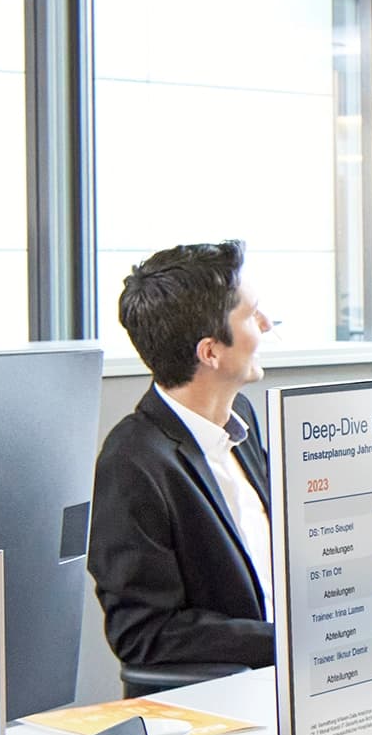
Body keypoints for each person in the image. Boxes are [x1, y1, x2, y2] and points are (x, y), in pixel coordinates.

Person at [88, 240, 279, 680]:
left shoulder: (241, 419)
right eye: (252, 315)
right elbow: (143, 632)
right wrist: (283, 640)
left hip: (286, 682)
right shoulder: (132, 463)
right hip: (226, 699)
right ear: (210, 352)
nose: (266, 325)